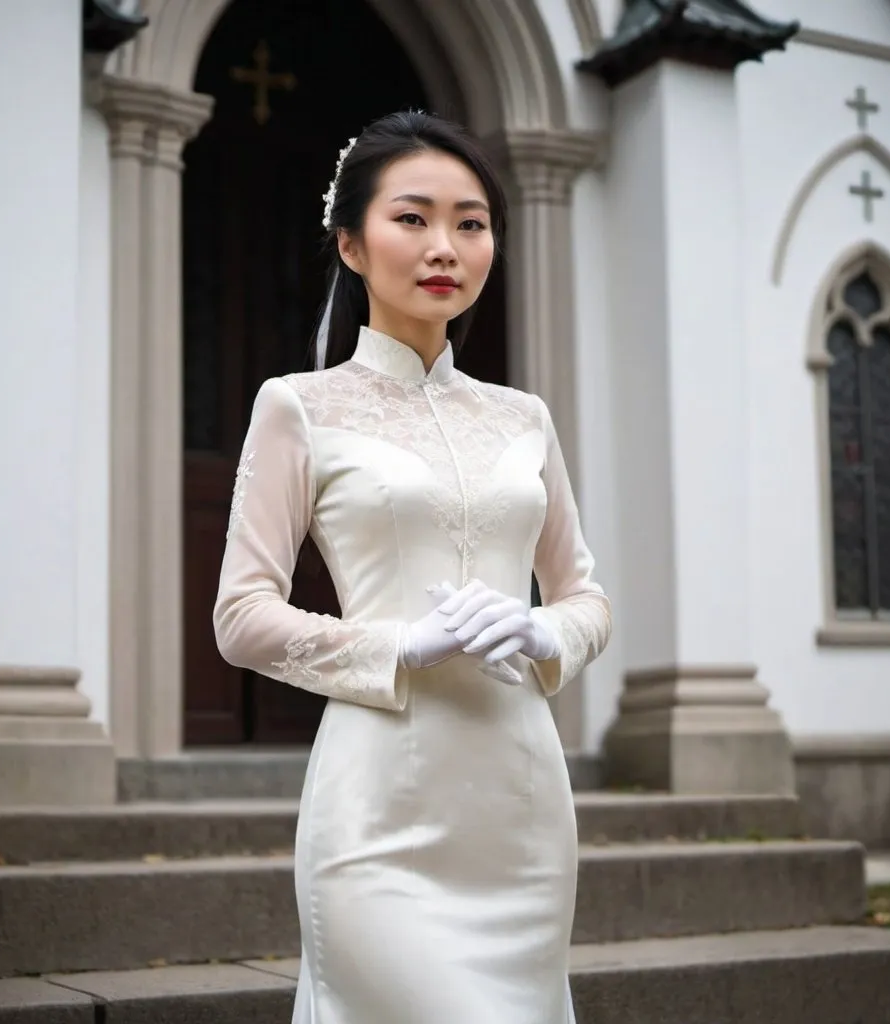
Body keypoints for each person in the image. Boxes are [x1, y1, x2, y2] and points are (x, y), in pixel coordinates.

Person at [213, 110, 612, 1024]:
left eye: (471, 223)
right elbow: (240, 616)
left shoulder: (525, 417)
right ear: (350, 243)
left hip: (520, 804)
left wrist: (544, 626)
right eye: (412, 218)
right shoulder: (299, 406)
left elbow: (585, 594)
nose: (446, 247)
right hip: (381, 802)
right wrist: (402, 643)